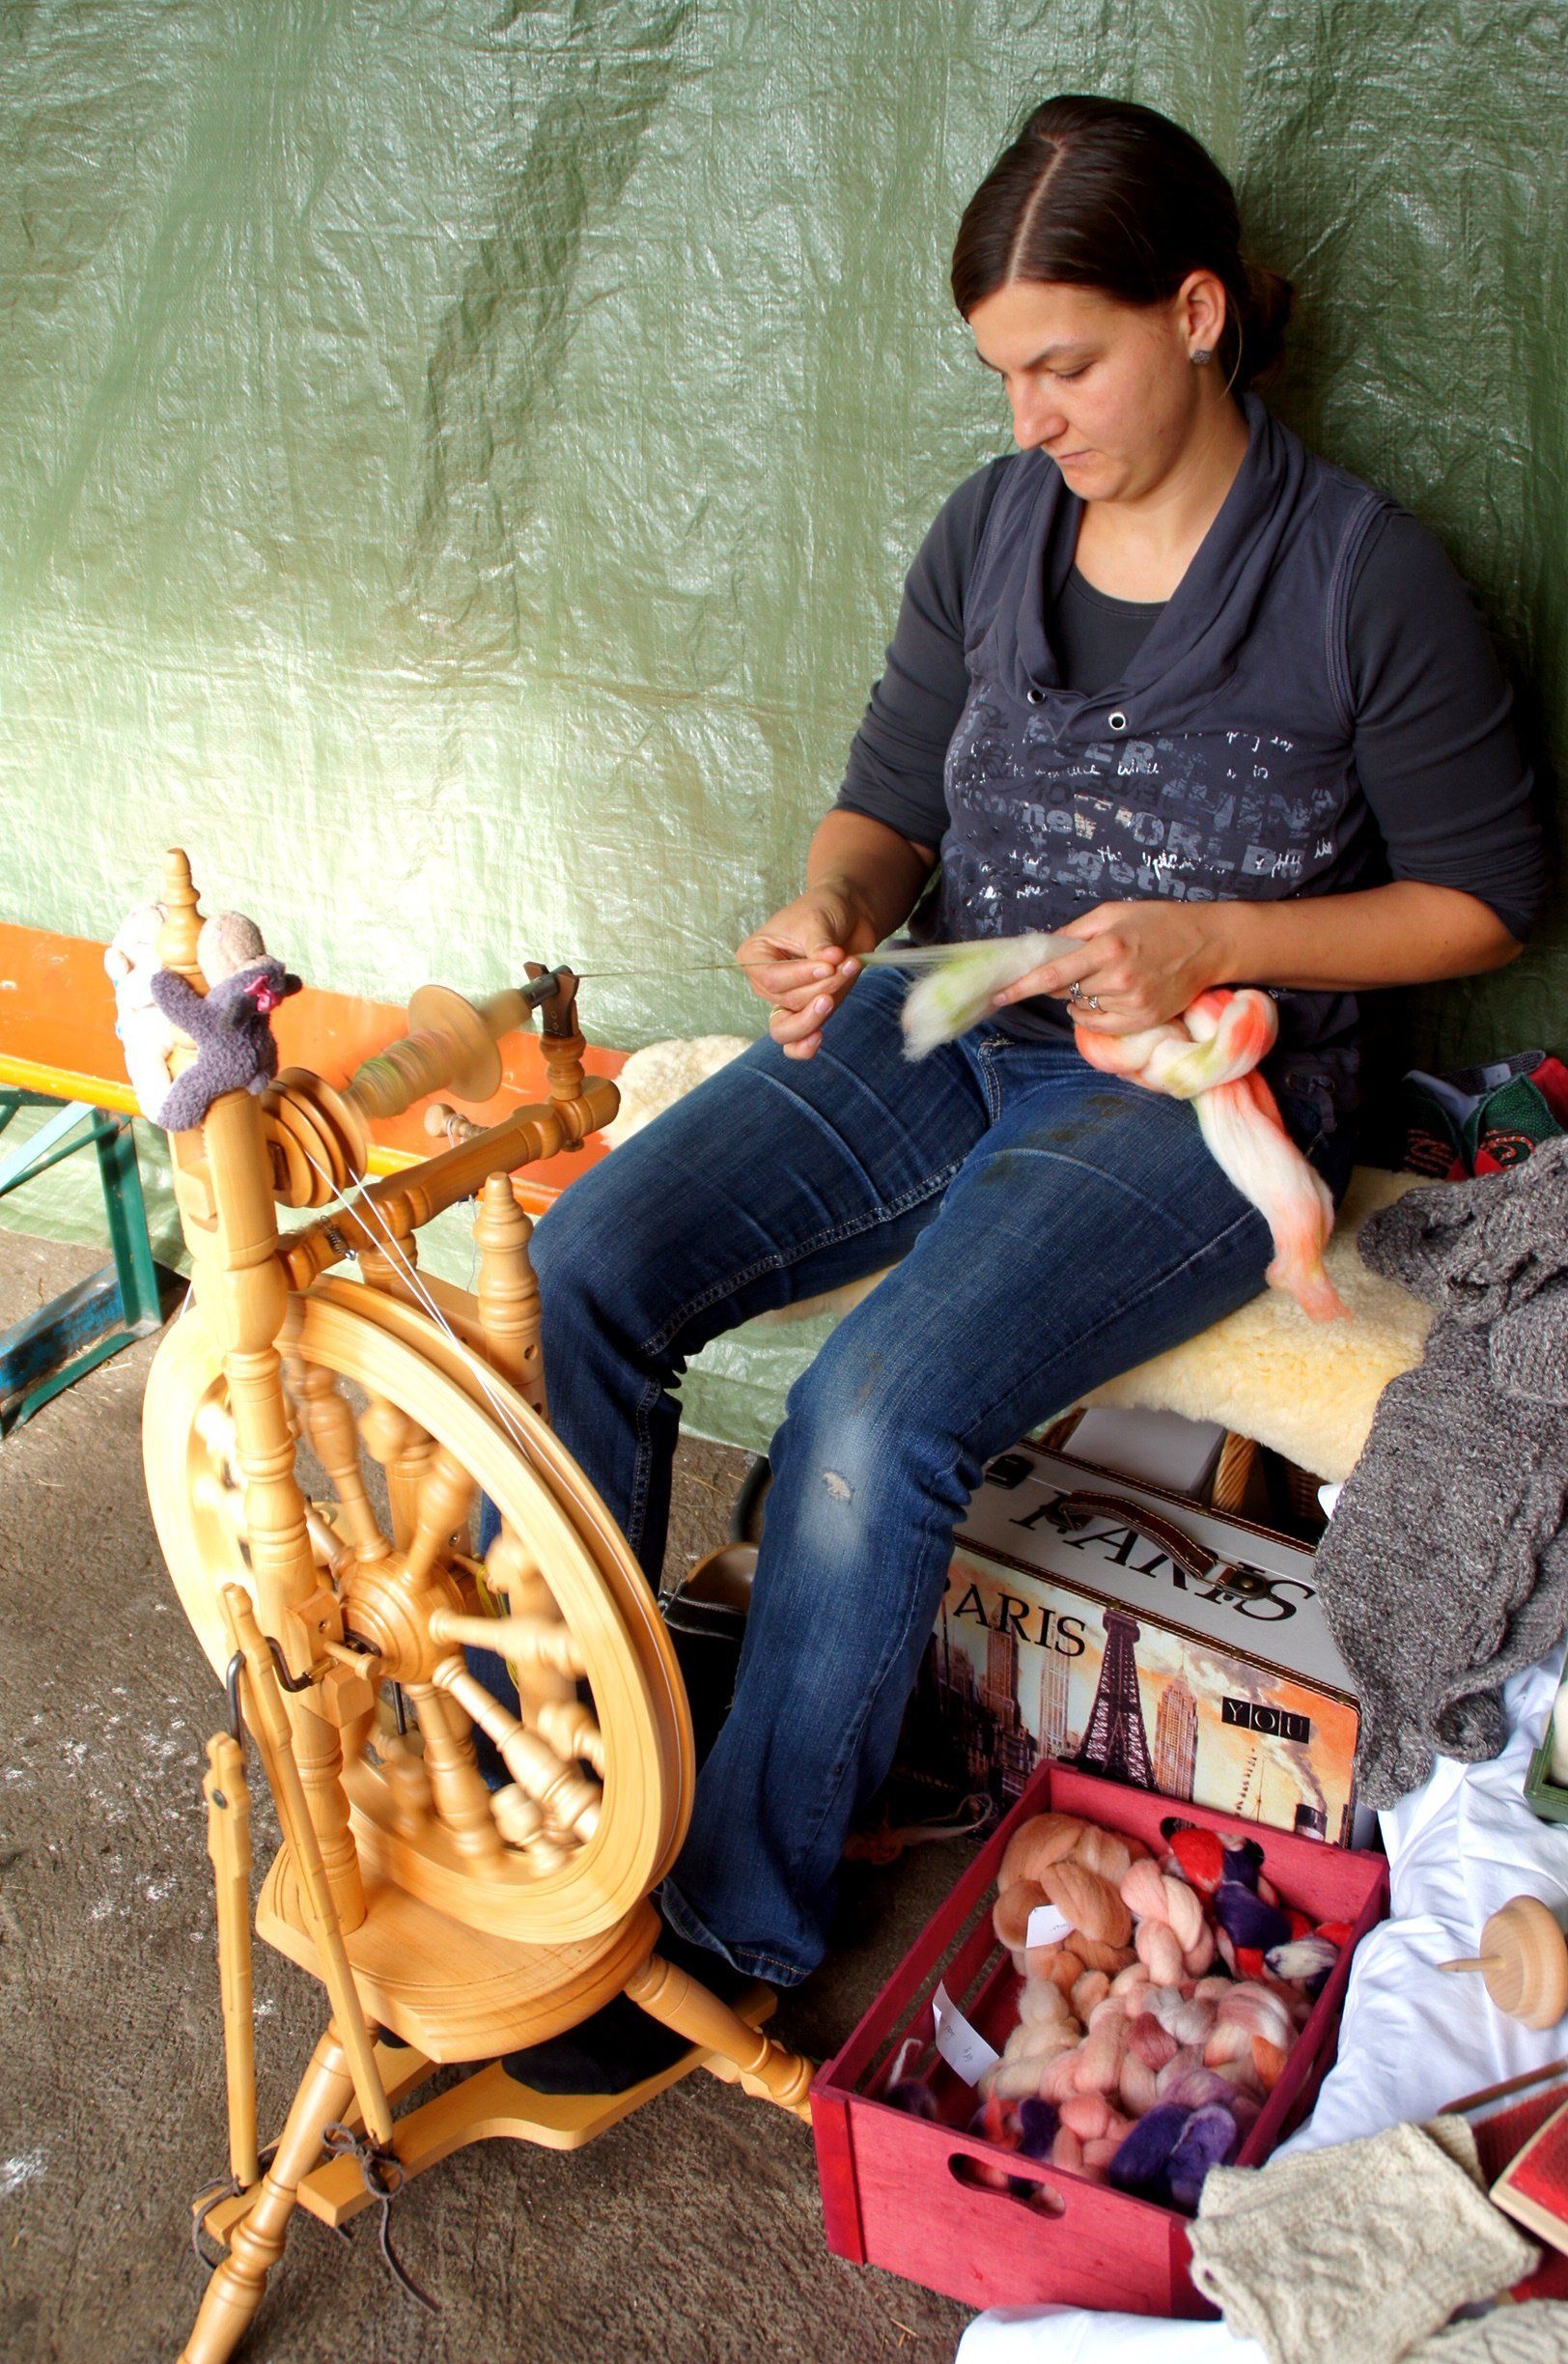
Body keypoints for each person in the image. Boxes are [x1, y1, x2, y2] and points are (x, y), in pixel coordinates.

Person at [506, 95, 1542, 2092]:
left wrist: (1219, 938)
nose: (1028, 417)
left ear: (1196, 315)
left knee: (871, 1413)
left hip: (1199, 1098)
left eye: (1065, 365)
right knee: (588, 1265)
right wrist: (830, 909)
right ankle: (566, 1780)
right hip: (954, 1011)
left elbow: (1485, 895)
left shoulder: (1357, 575)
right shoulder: (990, 531)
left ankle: (726, 1927)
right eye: (1001, 373)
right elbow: (886, 803)